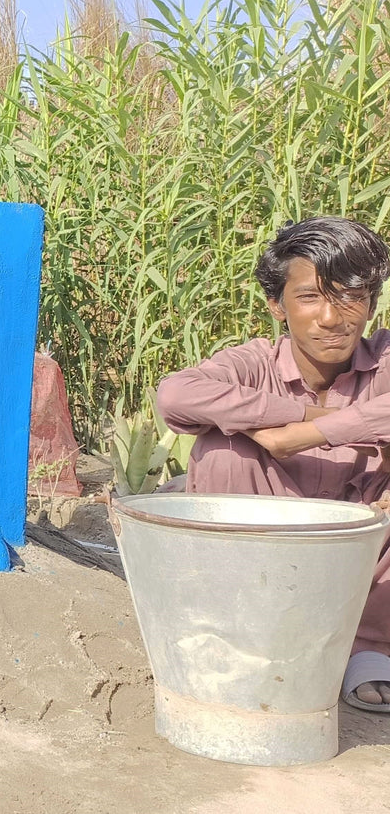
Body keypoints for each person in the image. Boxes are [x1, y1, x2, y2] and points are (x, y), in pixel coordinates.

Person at [156, 215, 390, 712]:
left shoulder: (384, 358)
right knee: (223, 448)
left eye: (351, 295)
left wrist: (310, 433)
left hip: (365, 545)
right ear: (276, 306)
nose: (333, 317)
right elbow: (177, 396)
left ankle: (371, 648)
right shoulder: (254, 363)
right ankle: (238, 634)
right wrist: (300, 411)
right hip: (266, 543)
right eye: (310, 297)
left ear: (370, 303)